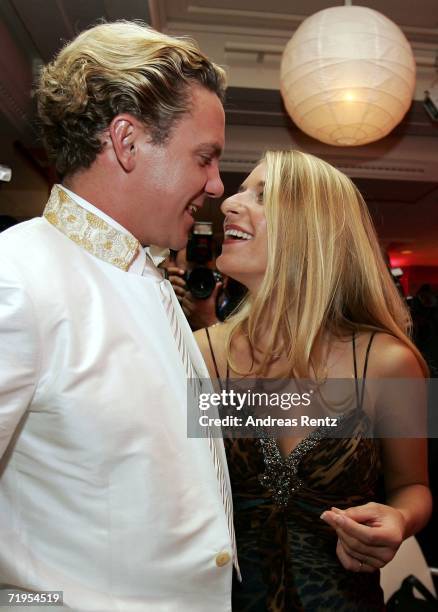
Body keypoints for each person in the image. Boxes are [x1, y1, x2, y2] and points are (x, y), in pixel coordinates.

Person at [0, 21, 237, 611]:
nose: (216, 184)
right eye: (204, 158)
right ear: (126, 141)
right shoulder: (17, 280)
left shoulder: (147, 275)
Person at [195, 150, 432, 611]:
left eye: (262, 196)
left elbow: (414, 486)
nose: (227, 203)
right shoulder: (202, 354)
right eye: (241, 190)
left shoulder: (388, 362)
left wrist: (398, 519)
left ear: (313, 229)